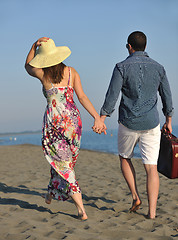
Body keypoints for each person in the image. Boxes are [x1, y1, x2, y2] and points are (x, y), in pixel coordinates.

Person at [25, 37, 106, 221]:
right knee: (64, 162)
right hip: (73, 123)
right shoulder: (72, 72)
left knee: (66, 166)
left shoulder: (42, 74)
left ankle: (81, 210)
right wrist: (95, 117)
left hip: (55, 125)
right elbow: (82, 97)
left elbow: (27, 66)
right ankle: (51, 192)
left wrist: (32, 47)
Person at [98, 31, 173, 219]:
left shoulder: (121, 67)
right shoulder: (159, 68)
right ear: (145, 46)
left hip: (128, 122)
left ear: (129, 47)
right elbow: (167, 96)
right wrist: (169, 120)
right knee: (151, 168)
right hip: (151, 123)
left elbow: (112, 95)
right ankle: (152, 213)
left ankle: (135, 196)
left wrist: (102, 117)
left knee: (125, 157)